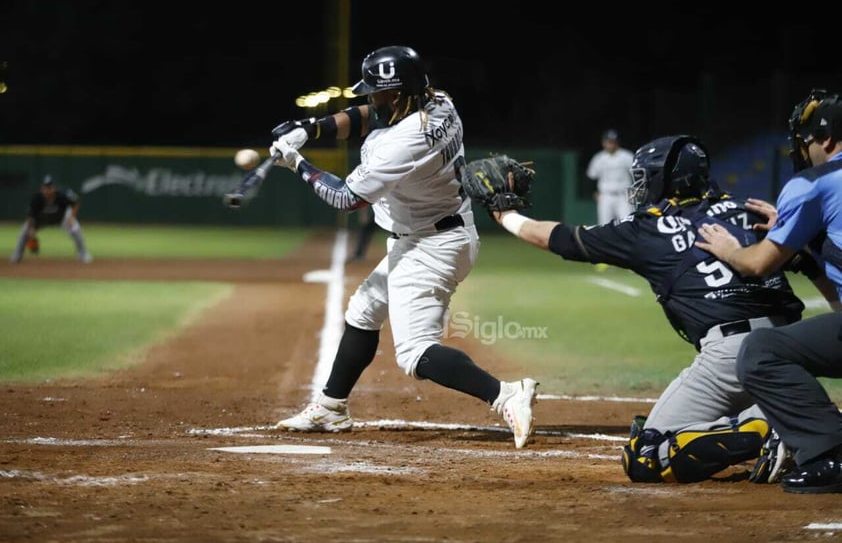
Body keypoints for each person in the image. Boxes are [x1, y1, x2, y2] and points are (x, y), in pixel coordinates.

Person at [480, 135, 815, 482]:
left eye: (645, 177)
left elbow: (562, 239)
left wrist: (504, 214)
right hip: (793, 348)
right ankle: (787, 416)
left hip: (733, 356)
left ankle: (765, 428)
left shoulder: (650, 227)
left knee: (647, 455)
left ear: (666, 180)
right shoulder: (753, 209)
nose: (639, 185)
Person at [267, 45, 538, 448]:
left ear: (396, 94)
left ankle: (505, 395)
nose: (371, 100)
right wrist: (311, 128)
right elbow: (367, 115)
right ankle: (331, 407)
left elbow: (347, 198)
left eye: (377, 92)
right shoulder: (437, 100)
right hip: (432, 233)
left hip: (433, 244)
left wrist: (298, 163)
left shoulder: (405, 141)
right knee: (363, 309)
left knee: (414, 353)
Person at [696, 89, 842, 493]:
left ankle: (829, 453)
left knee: (761, 352)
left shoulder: (813, 183)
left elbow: (758, 264)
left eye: (807, 140)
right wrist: (804, 241)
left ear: (826, 140)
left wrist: (732, 249)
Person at [10, 174, 93, 264]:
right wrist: (31, 232)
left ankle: (83, 254)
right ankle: (17, 255)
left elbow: (76, 202)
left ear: (54, 188)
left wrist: (71, 217)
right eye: (45, 187)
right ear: (42, 188)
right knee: (25, 231)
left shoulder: (62, 195)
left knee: (75, 228)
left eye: (50, 187)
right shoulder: (36, 199)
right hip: (41, 220)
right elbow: (30, 217)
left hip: (61, 219)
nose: (47, 190)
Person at [586, 129, 635, 226]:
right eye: (608, 141)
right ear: (603, 142)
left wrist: (634, 190)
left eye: (613, 142)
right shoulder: (598, 158)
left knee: (627, 223)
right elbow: (591, 176)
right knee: (604, 226)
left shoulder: (627, 156)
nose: (610, 144)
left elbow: (636, 174)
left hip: (624, 196)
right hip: (605, 196)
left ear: (617, 143)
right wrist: (594, 192)